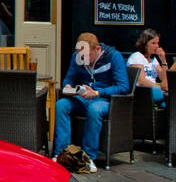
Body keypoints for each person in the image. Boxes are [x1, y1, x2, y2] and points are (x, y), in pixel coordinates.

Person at [53, 32, 129, 173]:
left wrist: (97, 92)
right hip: (83, 97)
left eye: (87, 56)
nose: (84, 60)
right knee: (61, 105)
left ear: (98, 49)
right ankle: (61, 154)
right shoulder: (78, 57)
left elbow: (123, 87)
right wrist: (69, 87)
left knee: (94, 110)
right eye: (81, 57)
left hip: (103, 98)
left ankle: (88, 158)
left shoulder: (113, 56)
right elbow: (68, 78)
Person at [126, 28, 168, 106]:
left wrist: (163, 60)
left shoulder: (153, 59)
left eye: (157, 43)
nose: (157, 46)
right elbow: (141, 80)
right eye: (153, 43)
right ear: (145, 44)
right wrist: (160, 88)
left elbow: (163, 78)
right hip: (142, 91)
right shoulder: (137, 56)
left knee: (168, 104)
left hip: (154, 90)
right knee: (169, 96)